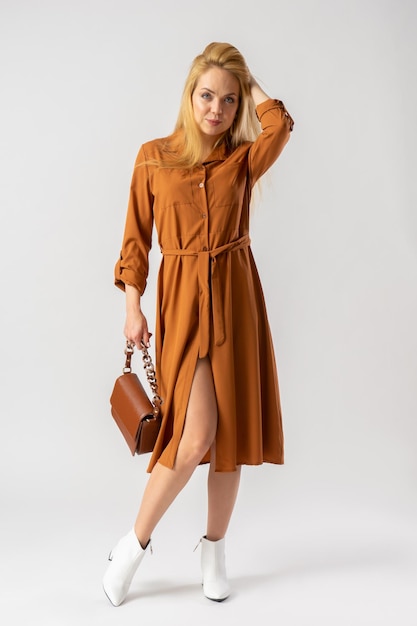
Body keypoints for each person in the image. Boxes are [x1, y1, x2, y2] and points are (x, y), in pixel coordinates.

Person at [103, 41, 294, 606]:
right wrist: (132, 305)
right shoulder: (153, 158)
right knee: (192, 441)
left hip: (236, 300)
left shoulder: (241, 161)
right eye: (207, 95)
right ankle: (131, 548)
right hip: (183, 306)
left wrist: (247, 79)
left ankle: (215, 550)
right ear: (190, 96)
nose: (216, 108)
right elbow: (135, 241)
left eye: (228, 100)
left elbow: (279, 124)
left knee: (226, 438)